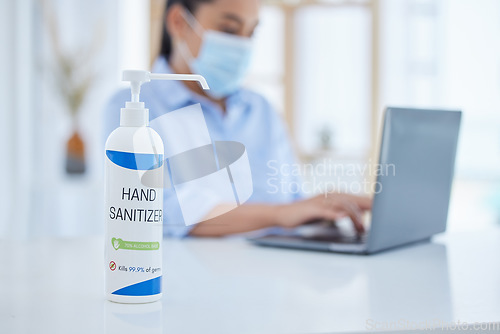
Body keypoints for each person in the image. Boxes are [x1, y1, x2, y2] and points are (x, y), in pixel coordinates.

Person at [105, 0, 371, 238]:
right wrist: (280, 214)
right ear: (178, 22)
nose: (243, 45)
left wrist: (324, 212)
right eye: (230, 30)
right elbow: (162, 213)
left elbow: (293, 201)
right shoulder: (135, 109)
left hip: (277, 278)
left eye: (251, 32)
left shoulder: (262, 110)